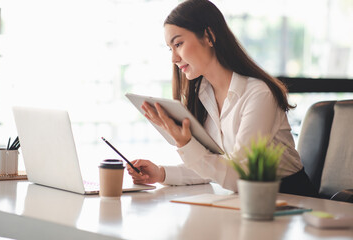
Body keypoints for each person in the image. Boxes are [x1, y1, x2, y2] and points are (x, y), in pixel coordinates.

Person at [127, 0, 318, 197]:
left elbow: (240, 175)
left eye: (178, 44)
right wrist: (160, 173)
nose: (174, 58)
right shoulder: (202, 95)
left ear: (209, 36)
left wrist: (185, 144)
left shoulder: (258, 94)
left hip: (291, 200)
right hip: (249, 200)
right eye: (170, 48)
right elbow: (212, 165)